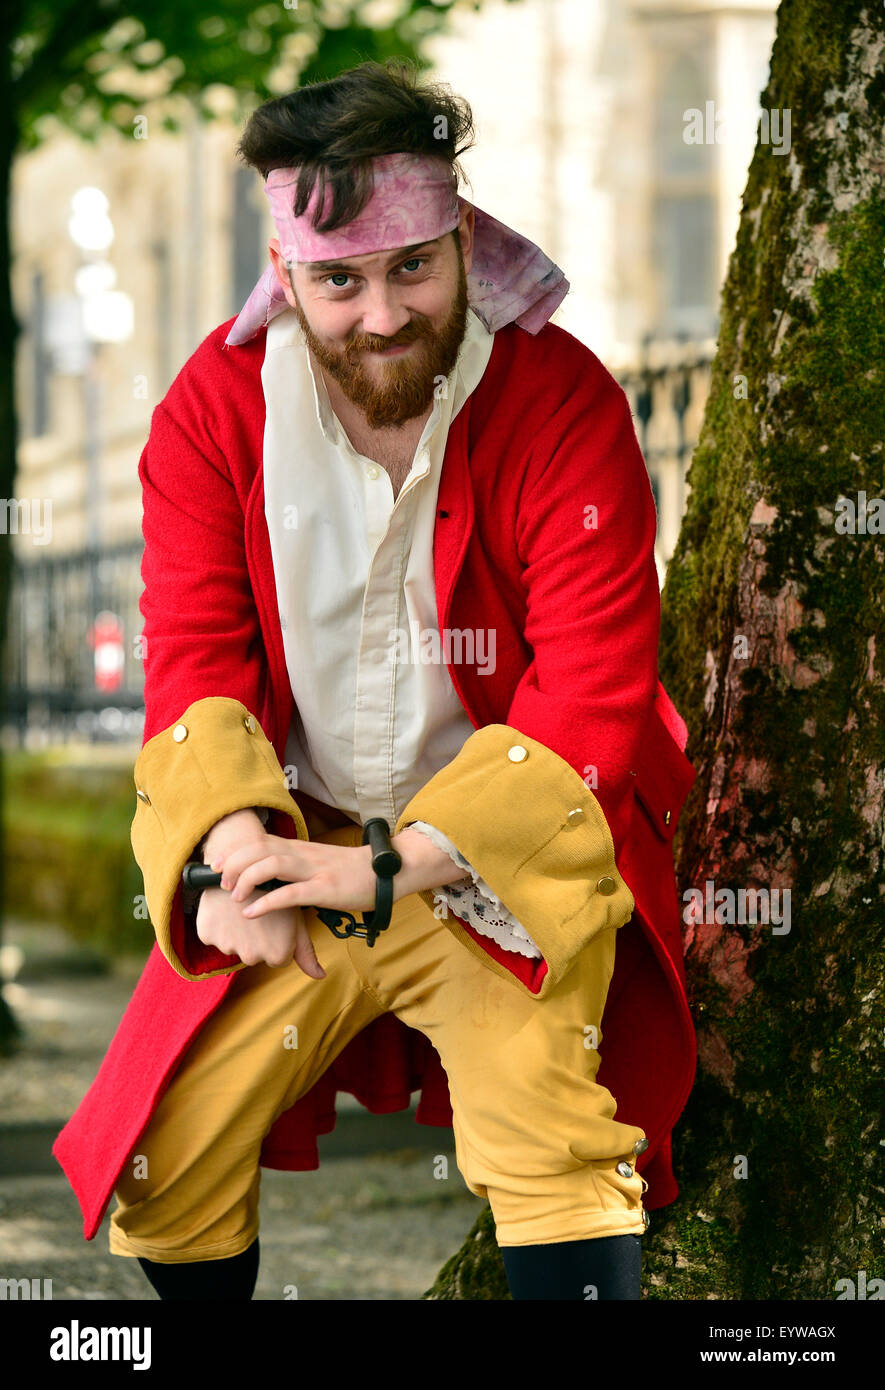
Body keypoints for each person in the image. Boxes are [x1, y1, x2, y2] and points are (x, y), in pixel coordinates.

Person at [52, 58, 698, 1301]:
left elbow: (593, 696)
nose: (383, 312)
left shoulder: (562, 398)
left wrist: (393, 867)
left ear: (464, 240)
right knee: (167, 1161)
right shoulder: (208, 414)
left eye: (414, 266)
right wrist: (228, 853)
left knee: (558, 1140)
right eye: (339, 280)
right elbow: (194, 661)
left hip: (503, 861)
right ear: (287, 275)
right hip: (306, 840)